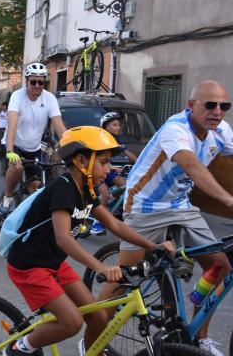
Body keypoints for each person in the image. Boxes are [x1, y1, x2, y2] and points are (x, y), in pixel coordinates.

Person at [2, 126, 173, 356]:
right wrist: (100, 266)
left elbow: (115, 224)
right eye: (103, 162)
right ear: (81, 159)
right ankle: (19, 349)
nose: (108, 168)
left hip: (54, 262)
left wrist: (152, 246)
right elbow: (63, 238)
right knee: (71, 323)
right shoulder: (63, 188)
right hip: (30, 266)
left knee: (98, 318)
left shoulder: (86, 190)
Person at [98, 80, 233, 356]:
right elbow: (191, 165)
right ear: (191, 106)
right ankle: (92, 339)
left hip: (180, 205)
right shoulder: (176, 129)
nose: (217, 112)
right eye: (210, 105)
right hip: (146, 207)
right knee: (123, 280)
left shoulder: (220, 130)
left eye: (224, 106)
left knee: (221, 266)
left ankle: (201, 338)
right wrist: (229, 200)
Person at [0, 62, 67, 215]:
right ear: (27, 81)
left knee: (36, 187)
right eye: (33, 82)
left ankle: (27, 217)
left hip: (34, 148)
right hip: (14, 144)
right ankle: (8, 197)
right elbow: (12, 125)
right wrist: (10, 151)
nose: (37, 85)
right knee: (17, 166)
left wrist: (72, 148)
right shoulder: (17, 96)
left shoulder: (49, 99)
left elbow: (59, 126)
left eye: (41, 82)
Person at [91, 112, 138, 235]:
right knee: (105, 194)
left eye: (119, 125)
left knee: (126, 187)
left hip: (108, 171)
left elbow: (128, 154)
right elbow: (96, 159)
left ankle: (110, 203)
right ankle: (97, 221)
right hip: (97, 171)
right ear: (106, 127)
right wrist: (112, 166)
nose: (118, 127)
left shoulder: (116, 140)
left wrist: (141, 164)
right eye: (114, 125)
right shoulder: (101, 139)